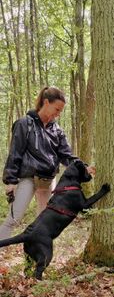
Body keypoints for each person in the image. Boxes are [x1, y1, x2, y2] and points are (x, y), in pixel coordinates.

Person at [0, 86, 95, 240]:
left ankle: (33, 258)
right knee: (14, 218)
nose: (57, 114)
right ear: (46, 102)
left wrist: (83, 167)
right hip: (28, 178)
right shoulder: (24, 124)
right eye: (56, 109)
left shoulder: (57, 130)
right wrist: (10, 180)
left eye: (60, 112)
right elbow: (15, 153)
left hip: (49, 180)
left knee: (43, 222)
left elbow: (66, 155)